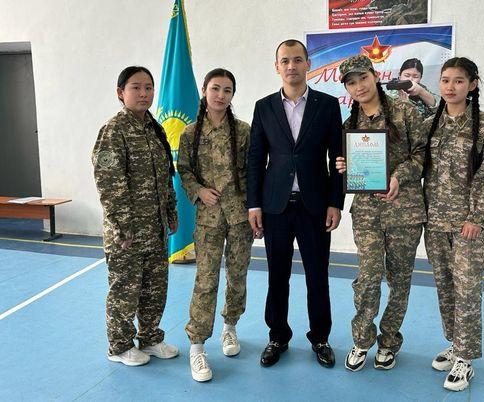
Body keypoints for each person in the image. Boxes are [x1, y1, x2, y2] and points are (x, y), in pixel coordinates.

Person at [247, 39, 344, 368]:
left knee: (318, 275)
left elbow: (337, 159)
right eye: (285, 60)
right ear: (277, 66)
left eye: (297, 59)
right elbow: (256, 159)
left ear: (308, 64)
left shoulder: (327, 105)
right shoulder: (264, 107)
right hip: (275, 207)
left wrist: (335, 202)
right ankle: (277, 336)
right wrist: (254, 205)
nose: (291, 66)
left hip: (315, 205)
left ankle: (320, 337)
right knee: (277, 276)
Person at [334, 55, 427, 372]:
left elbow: (422, 156)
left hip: (405, 213)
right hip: (367, 214)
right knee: (369, 277)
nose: (358, 86)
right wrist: (344, 166)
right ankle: (362, 339)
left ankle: (388, 342)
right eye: (351, 82)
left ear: (374, 76)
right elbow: (349, 169)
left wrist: (398, 177)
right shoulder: (350, 125)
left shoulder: (405, 112)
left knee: (399, 282)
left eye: (362, 78)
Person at [423, 57, 484, 391]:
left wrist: (477, 218)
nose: (450, 87)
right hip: (435, 223)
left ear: (472, 84)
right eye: (445, 80)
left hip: (468, 226)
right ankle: (456, 344)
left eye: (458, 81)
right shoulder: (431, 123)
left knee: (467, 290)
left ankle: (466, 358)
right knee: (445, 287)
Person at [92, 66, 179, 366]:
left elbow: (166, 176)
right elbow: (109, 184)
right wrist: (123, 228)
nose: (144, 93)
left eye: (148, 88)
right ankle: (119, 346)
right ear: (121, 93)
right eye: (136, 87)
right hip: (127, 233)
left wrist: (171, 211)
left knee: (154, 288)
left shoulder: (155, 129)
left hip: (155, 228)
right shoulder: (114, 130)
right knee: (125, 291)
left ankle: (151, 338)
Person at [178, 68, 253, 382]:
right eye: (215, 88)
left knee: (237, 277)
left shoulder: (244, 131)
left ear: (232, 95)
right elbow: (184, 170)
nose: (221, 95)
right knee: (206, 280)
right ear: (205, 91)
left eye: (227, 90)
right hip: (208, 219)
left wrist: (255, 211)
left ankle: (230, 327)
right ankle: (197, 346)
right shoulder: (190, 133)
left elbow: (254, 172)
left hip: (240, 217)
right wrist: (198, 190)